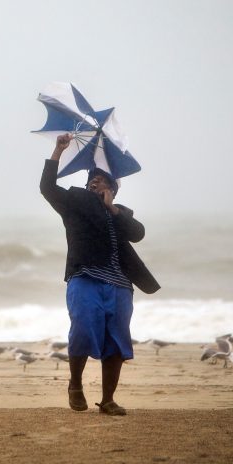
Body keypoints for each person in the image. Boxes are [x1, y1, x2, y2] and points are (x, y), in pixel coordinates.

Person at [40, 132, 160, 416]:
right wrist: (58, 150)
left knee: (117, 341)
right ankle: (76, 385)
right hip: (85, 278)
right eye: (92, 178)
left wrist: (112, 210)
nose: (95, 180)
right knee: (82, 329)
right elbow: (47, 187)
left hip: (120, 286)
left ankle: (107, 400)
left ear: (113, 190)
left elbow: (138, 234)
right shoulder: (75, 202)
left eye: (103, 179)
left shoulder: (122, 213)